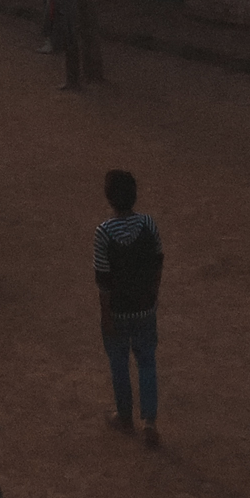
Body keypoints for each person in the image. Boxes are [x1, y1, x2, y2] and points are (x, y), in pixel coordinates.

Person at [95, 169, 164, 447]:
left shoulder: (104, 233)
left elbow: (103, 282)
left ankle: (125, 417)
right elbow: (158, 262)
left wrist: (106, 316)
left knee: (119, 363)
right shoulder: (148, 224)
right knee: (147, 361)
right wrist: (153, 295)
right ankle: (149, 422)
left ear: (109, 198)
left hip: (119, 311)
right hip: (145, 307)